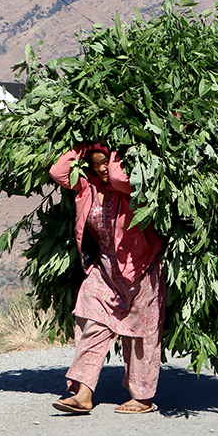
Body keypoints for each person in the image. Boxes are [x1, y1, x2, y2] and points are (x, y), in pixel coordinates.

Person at [48, 143, 166, 414]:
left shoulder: (132, 186)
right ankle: (83, 393)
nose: (102, 168)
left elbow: (116, 176)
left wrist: (114, 147)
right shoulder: (86, 187)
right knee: (91, 323)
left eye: (105, 161)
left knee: (140, 334)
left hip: (140, 269)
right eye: (95, 162)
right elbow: (58, 172)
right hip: (103, 269)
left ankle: (142, 397)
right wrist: (84, 145)